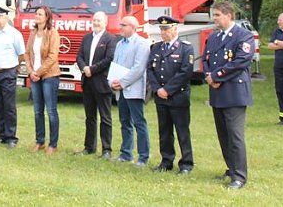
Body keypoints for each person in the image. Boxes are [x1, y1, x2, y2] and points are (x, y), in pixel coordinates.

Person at [202, 1, 255, 189]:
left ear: (229, 15)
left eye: (217, 15)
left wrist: (216, 76)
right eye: (213, 15)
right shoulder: (214, 37)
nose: (214, 19)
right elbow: (206, 59)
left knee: (235, 135)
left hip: (234, 92)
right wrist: (208, 76)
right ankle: (231, 168)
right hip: (217, 92)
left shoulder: (243, 36)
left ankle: (239, 176)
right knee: (223, 134)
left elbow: (240, 61)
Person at [147, 16, 194, 174]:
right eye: (161, 29)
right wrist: (157, 89)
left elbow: (185, 72)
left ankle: (186, 163)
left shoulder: (185, 48)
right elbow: (150, 70)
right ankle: (166, 161)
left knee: (182, 131)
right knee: (164, 131)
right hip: (161, 97)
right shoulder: (156, 47)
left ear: (175, 29)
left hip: (178, 97)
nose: (163, 32)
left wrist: (167, 89)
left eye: (166, 29)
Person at [108, 15, 151, 167]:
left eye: (123, 25)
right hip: (120, 90)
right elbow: (115, 64)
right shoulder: (120, 44)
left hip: (133, 89)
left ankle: (143, 156)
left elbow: (139, 68)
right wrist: (111, 81)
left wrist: (123, 82)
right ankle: (126, 153)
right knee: (124, 121)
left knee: (139, 122)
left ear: (133, 27)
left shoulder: (141, 43)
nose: (120, 28)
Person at [75, 11, 117, 159]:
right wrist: (84, 68)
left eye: (99, 21)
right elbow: (79, 56)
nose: (96, 23)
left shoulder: (111, 39)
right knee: (90, 117)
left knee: (105, 118)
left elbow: (109, 59)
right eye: (94, 20)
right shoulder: (87, 38)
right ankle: (89, 147)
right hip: (87, 82)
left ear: (105, 22)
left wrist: (92, 69)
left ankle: (106, 149)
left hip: (102, 82)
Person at [0, 5, 25, 148]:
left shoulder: (14, 34)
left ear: (6, 18)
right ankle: (1, 135)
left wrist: (13, 66)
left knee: (9, 106)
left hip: (8, 73)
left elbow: (21, 54)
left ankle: (11, 137)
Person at [25, 6, 61, 155]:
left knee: (51, 111)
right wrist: (30, 71)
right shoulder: (33, 33)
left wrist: (38, 73)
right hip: (34, 76)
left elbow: (53, 56)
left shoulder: (53, 33)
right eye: (36, 14)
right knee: (37, 111)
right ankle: (40, 142)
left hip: (49, 76)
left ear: (47, 17)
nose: (37, 16)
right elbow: (27, 53)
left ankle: (53, 144)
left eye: (40, 14)